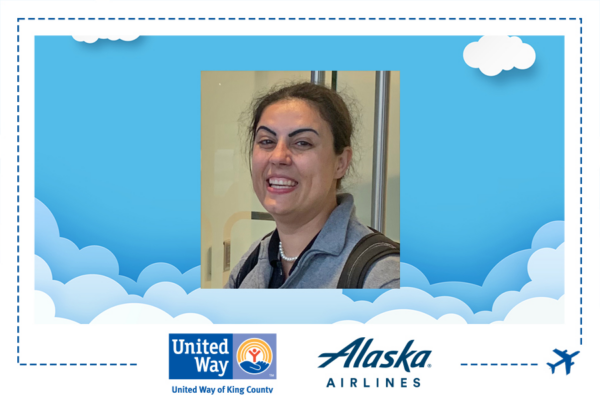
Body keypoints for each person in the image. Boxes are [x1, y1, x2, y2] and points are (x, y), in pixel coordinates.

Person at [224, 82, 399, 289]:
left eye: (302, 143)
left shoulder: (383, 277)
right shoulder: (251, 264)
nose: (278, 157)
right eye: (266, 141)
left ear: (340, 163)